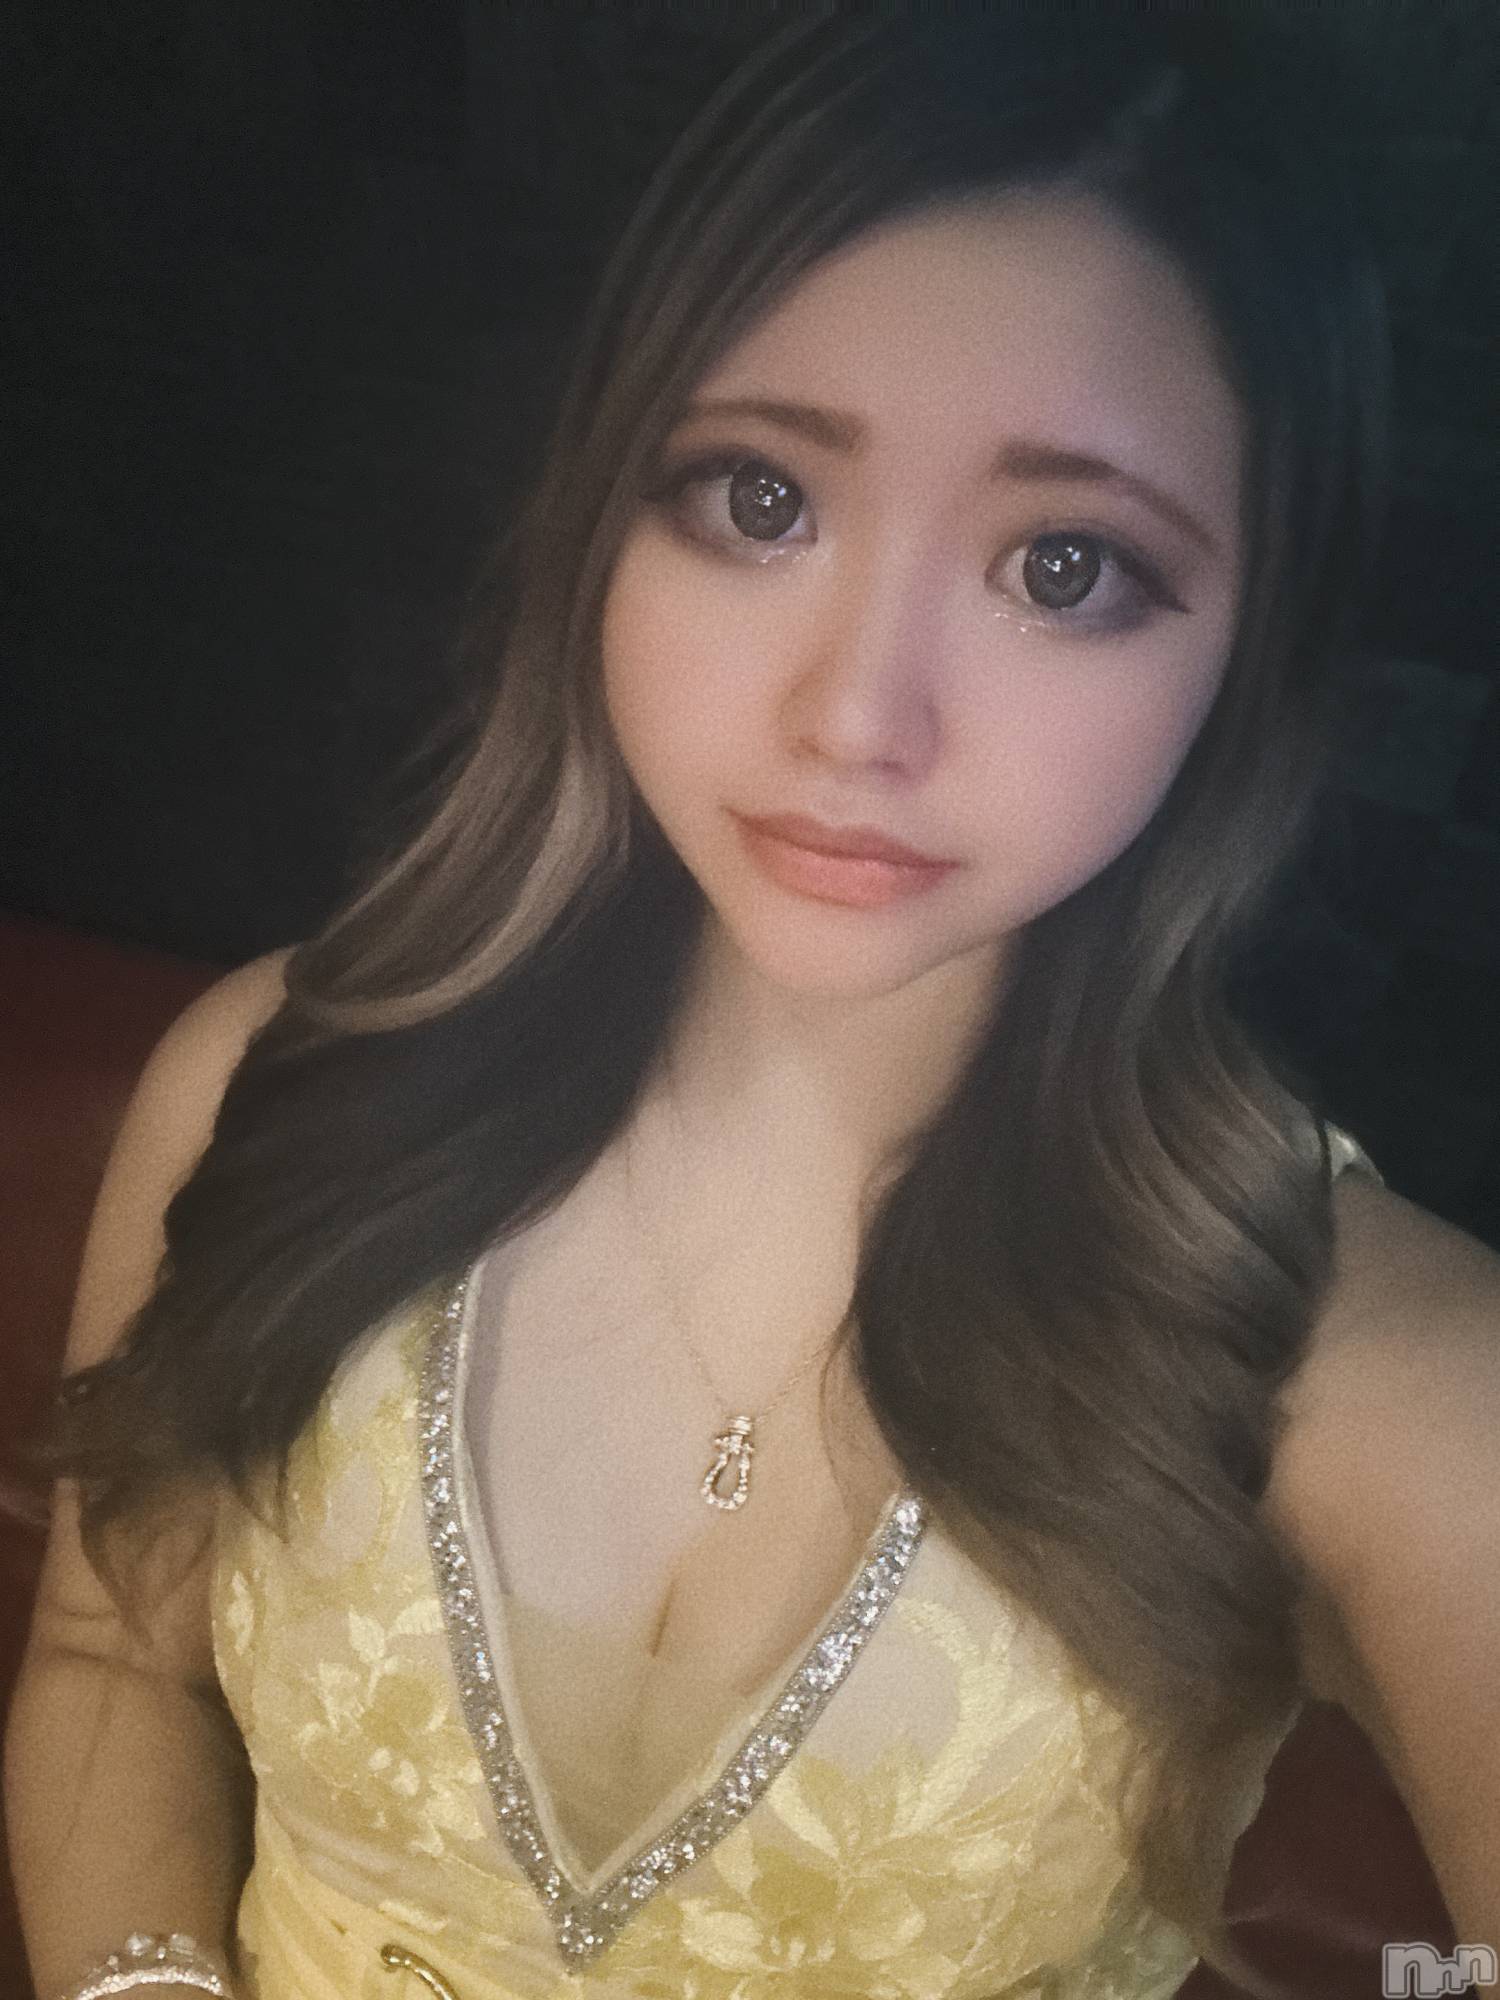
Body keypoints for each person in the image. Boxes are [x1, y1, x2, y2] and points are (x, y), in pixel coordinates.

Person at [8, 12, 1498, 2000]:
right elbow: (109, 1655)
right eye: (760, 499)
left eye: (1065, 567)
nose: (857, 715)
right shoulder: (278, 1086)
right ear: (601, 517)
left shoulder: (1361, 1372)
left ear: (1245, 652)